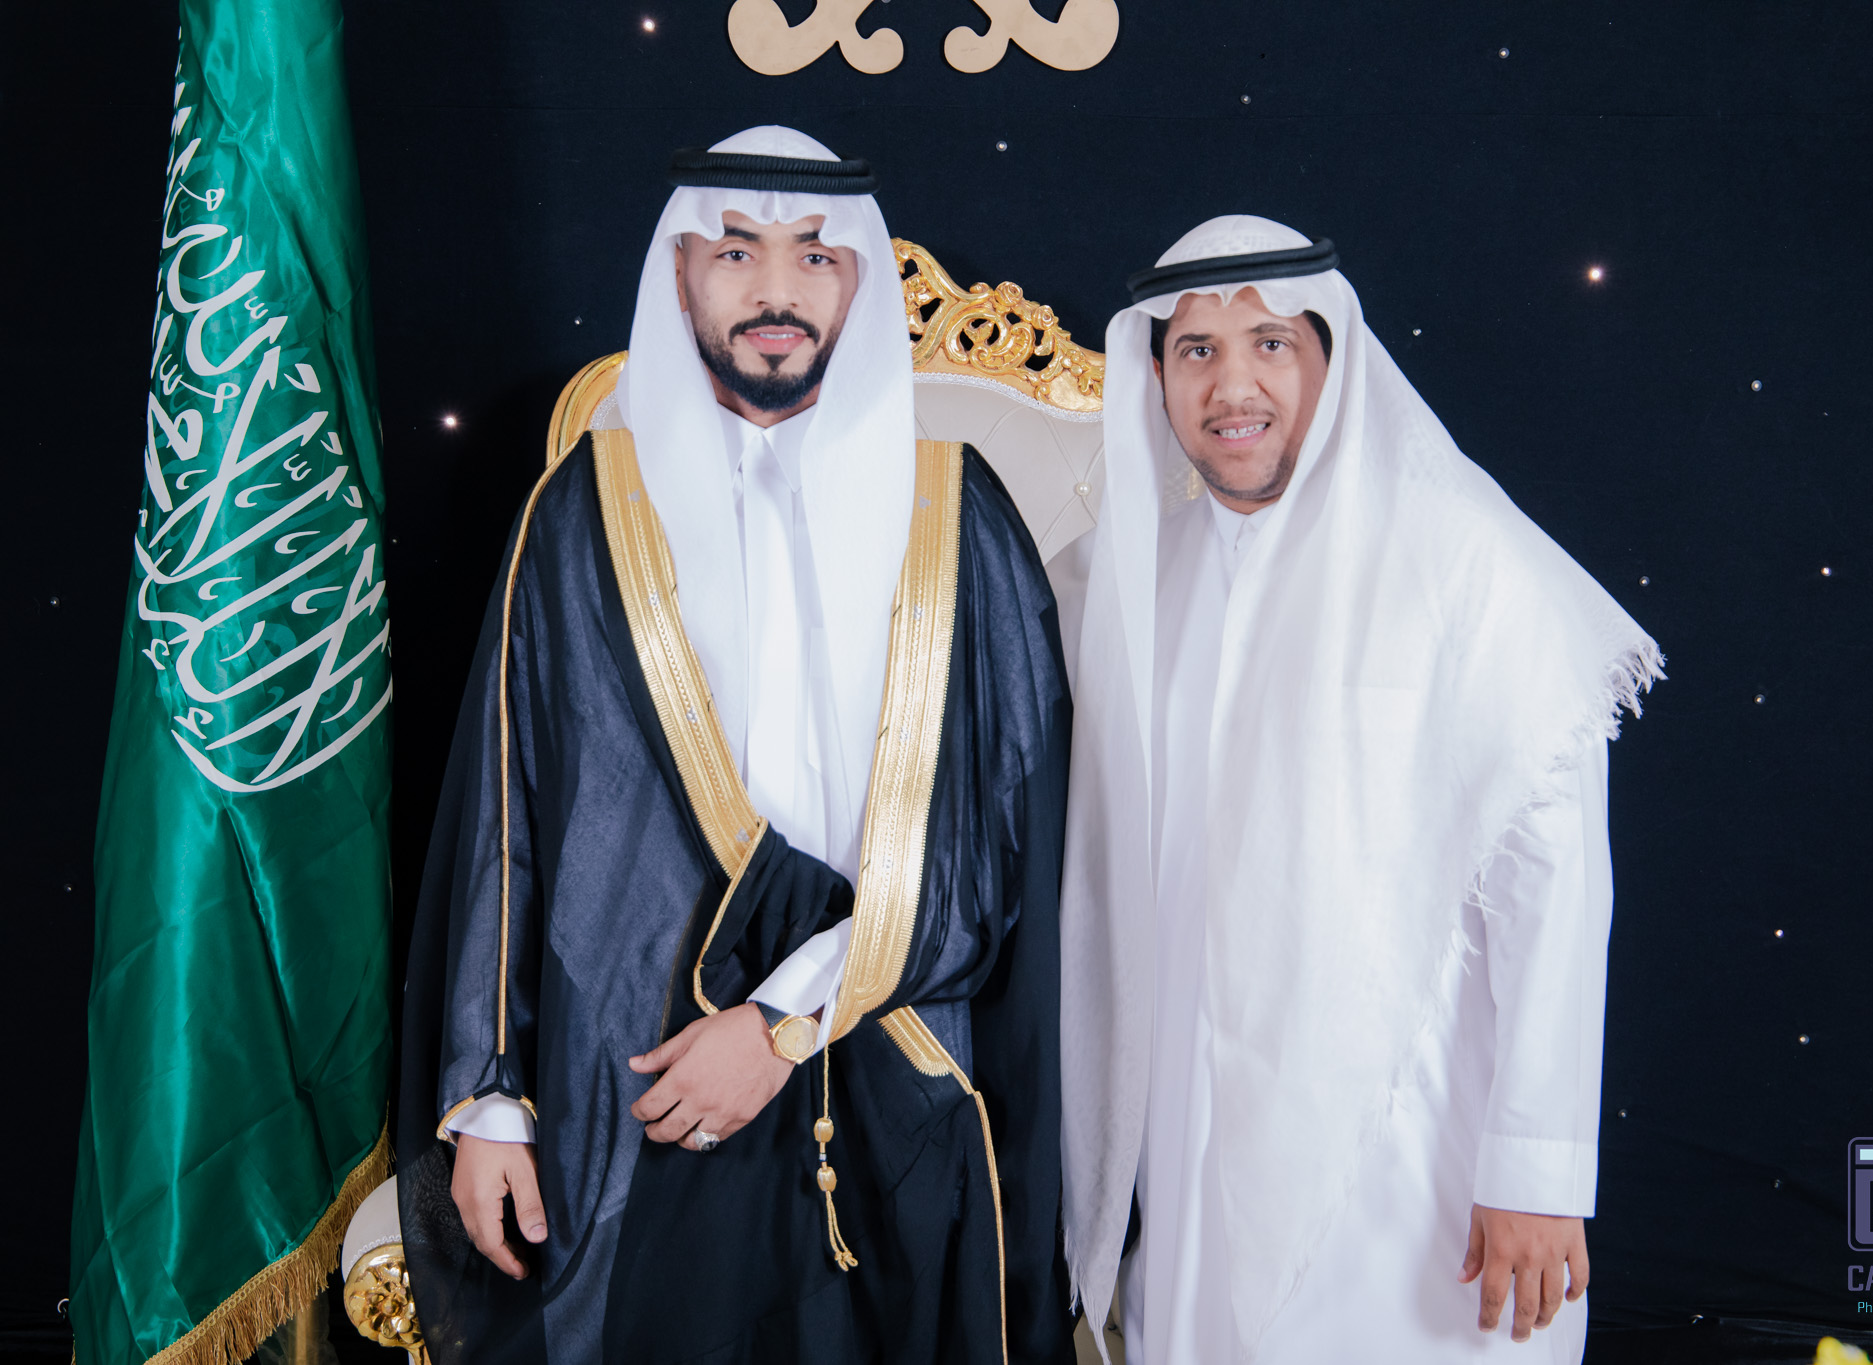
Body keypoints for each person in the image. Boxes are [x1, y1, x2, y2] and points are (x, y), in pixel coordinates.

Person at [396, 125, 1074, 1365]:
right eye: (736, 252)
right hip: (636, 1076)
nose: (776, 290)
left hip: (895, 1050)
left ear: (857, 283)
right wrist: (489, 1095)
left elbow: (1002, 835)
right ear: (679, 275)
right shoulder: (582, 509)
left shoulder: (953, 512)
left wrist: (777, 1023)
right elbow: (508, 812)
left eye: (814, 255)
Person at [1056, 216, 1662, 1363]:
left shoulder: (1462, 559)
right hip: (1190, 1131)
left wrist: (1534, 1168)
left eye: (1270, 344)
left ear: (1331, 363)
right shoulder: (1119, 583)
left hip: (1408, 1139)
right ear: (1155, 374)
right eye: (1195, 351)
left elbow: (1552, 889)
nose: (1232, 387)